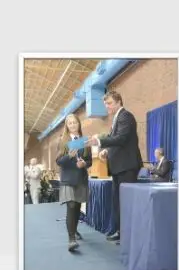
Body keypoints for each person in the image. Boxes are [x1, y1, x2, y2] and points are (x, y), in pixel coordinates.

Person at [97, 89, 142, 241]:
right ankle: (121, 231)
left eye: (109, 103)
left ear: (119, 102)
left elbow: (121, 139)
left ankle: (128, 234)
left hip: (127, 166)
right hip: (118, 167)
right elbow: (114, 140)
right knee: (118, 201)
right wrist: (105, 151)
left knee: (126, 202)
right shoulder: (116, 119)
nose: (107, 107)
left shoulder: (125, 116)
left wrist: (99, 141)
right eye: (105, 104)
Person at [54, 112, 92, 254]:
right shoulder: (62, 140)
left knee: (76, 206)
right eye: (69, 123)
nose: (72, 125)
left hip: (80, 177)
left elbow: (90, 161)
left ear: (78, 124)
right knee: (71, 205)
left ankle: (74, 230)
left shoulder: (84, 140)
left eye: (74, 122)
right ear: (67, 126)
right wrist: (68, 156)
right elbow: (58, 161)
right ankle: (71, 240)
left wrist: (85, 164)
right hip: (67, 179)